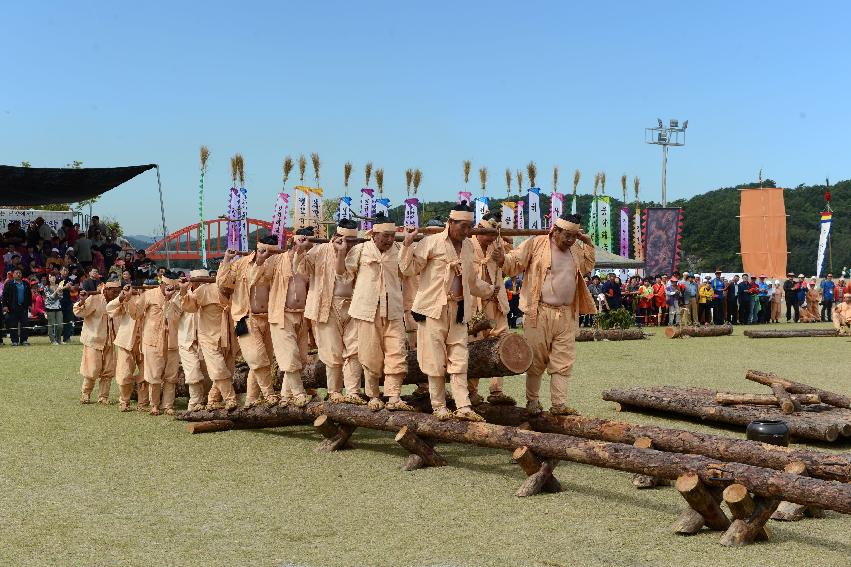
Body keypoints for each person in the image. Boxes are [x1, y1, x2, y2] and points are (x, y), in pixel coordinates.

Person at [400, 201, 500, 421]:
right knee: (434, 360)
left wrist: (490, 290)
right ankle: (439, 406)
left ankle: (463, 406)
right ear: (450, 223)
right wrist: (407, 245)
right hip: (432, 310)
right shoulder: (431, 242)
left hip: (458, 309)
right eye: (462, 226)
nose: (466, 232)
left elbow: (471, 282)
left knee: (459, 357)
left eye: (469, 227)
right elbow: (408, 269)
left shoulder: (467, 247)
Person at [497, 211, 596, 417]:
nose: (569, 240)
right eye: (566, 236)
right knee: (536, 361)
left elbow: (587, 267)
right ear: (556, 230)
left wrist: (588, 244)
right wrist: (501, 258)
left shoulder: (576, 250)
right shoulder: (536, 244)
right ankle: (532, 401)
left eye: (573, 236)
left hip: (567, 314)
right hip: (538, 312)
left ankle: (559, 405)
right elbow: (514, 262)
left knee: (563, 362)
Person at [338, 213, 413, 411]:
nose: (389, 239)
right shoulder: (360, 250)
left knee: (397, 352)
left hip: (393, 311)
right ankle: (373, 395)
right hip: (366, 311)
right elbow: (344, 275)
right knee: (370, 356)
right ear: (374, 233)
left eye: (392, 235)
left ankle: (394, 396)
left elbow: (407, 271)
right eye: (385, 236)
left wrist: (407, 245)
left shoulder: (399, 250)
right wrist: (340, 253)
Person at [248, 231, 312, 407]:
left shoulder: (309, 259)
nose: (304, 243)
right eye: (300, 240)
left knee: (301, 358)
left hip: (302, 315)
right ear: (292, 241)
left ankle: (285, 396)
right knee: (287, 356)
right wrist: (261, 260)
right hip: (279, 315)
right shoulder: (275, 261)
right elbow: (255, 278)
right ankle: (298, 394)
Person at [302, 219, 362, 404]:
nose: (349, 244)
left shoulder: (359, 251)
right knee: (332, 352)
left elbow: (345, 275)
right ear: (336, 236)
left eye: (353, 241)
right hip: (326, 307)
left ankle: (353, 392)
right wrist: (301, 250)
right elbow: (301, 269)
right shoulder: (319, 251)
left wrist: (344, 252)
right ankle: (334, 391)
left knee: (355, 350)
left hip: (354, 306)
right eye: (346, 240)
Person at [462, 212, 517, 406]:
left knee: (501, 343)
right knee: (472, 345)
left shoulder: (499, 245)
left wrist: (502, 257)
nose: (491, 238)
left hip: (496, 302)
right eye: (487, 233)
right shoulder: (466, 243)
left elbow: (512, 268)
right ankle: (471, 393)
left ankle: (496, 391)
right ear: (478, 229)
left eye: (494, 234)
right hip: (473, 302)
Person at [178, 269, 238, 412]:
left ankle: (212, 399)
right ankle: (230, 399)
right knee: (218, 369)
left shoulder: (236, 289)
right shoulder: (204, 290)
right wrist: (182, 291)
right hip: (208, 337)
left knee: (228, 369)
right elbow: (189, 306)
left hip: (229, 335)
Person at [134, 272, 182, 415]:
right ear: (161, 284)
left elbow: (174, 316)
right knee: (153, 375)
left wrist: (169, 299)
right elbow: (135, 313)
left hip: (172, 341)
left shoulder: (178, 298)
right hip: (152, 341)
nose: (170, 289)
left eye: (173, 287)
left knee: (171, 376)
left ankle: (168, 405)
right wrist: (127, 299)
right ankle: (154, 404)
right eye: (167, 286)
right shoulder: (149, 295)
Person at [73, 281, 120, 404]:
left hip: (110, 340)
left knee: (108, 370)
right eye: (113, 291)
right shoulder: (94, 299)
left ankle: (103, 397)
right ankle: (85, 394)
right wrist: (82, 301)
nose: (116, 294)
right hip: (94, 340)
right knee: (91, 369)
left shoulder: (119, 301)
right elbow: (78, 312)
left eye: (117, 292)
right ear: (106, 290)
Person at [106, 284, 148, 412]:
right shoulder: (126, 299)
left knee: (146, 374)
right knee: (124, 374)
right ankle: (124, 401)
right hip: (126, 342)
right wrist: (121, 297)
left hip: (146, 342)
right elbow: (109, 309)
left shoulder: (152, 298)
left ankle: (143, 403)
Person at [2, 268, 32, 346]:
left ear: (21, 274)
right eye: (16, 273)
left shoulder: (26, 284)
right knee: (13, 325)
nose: (18, 274)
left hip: (23, 307)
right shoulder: (9, 284)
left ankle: (24, 340)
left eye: (19, 273)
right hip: (12, 308)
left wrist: (30, 305)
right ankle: (14, 341)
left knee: (25, 324)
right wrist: (5, 306)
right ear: (13, 274)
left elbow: (29, 295)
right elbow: (4, 296)